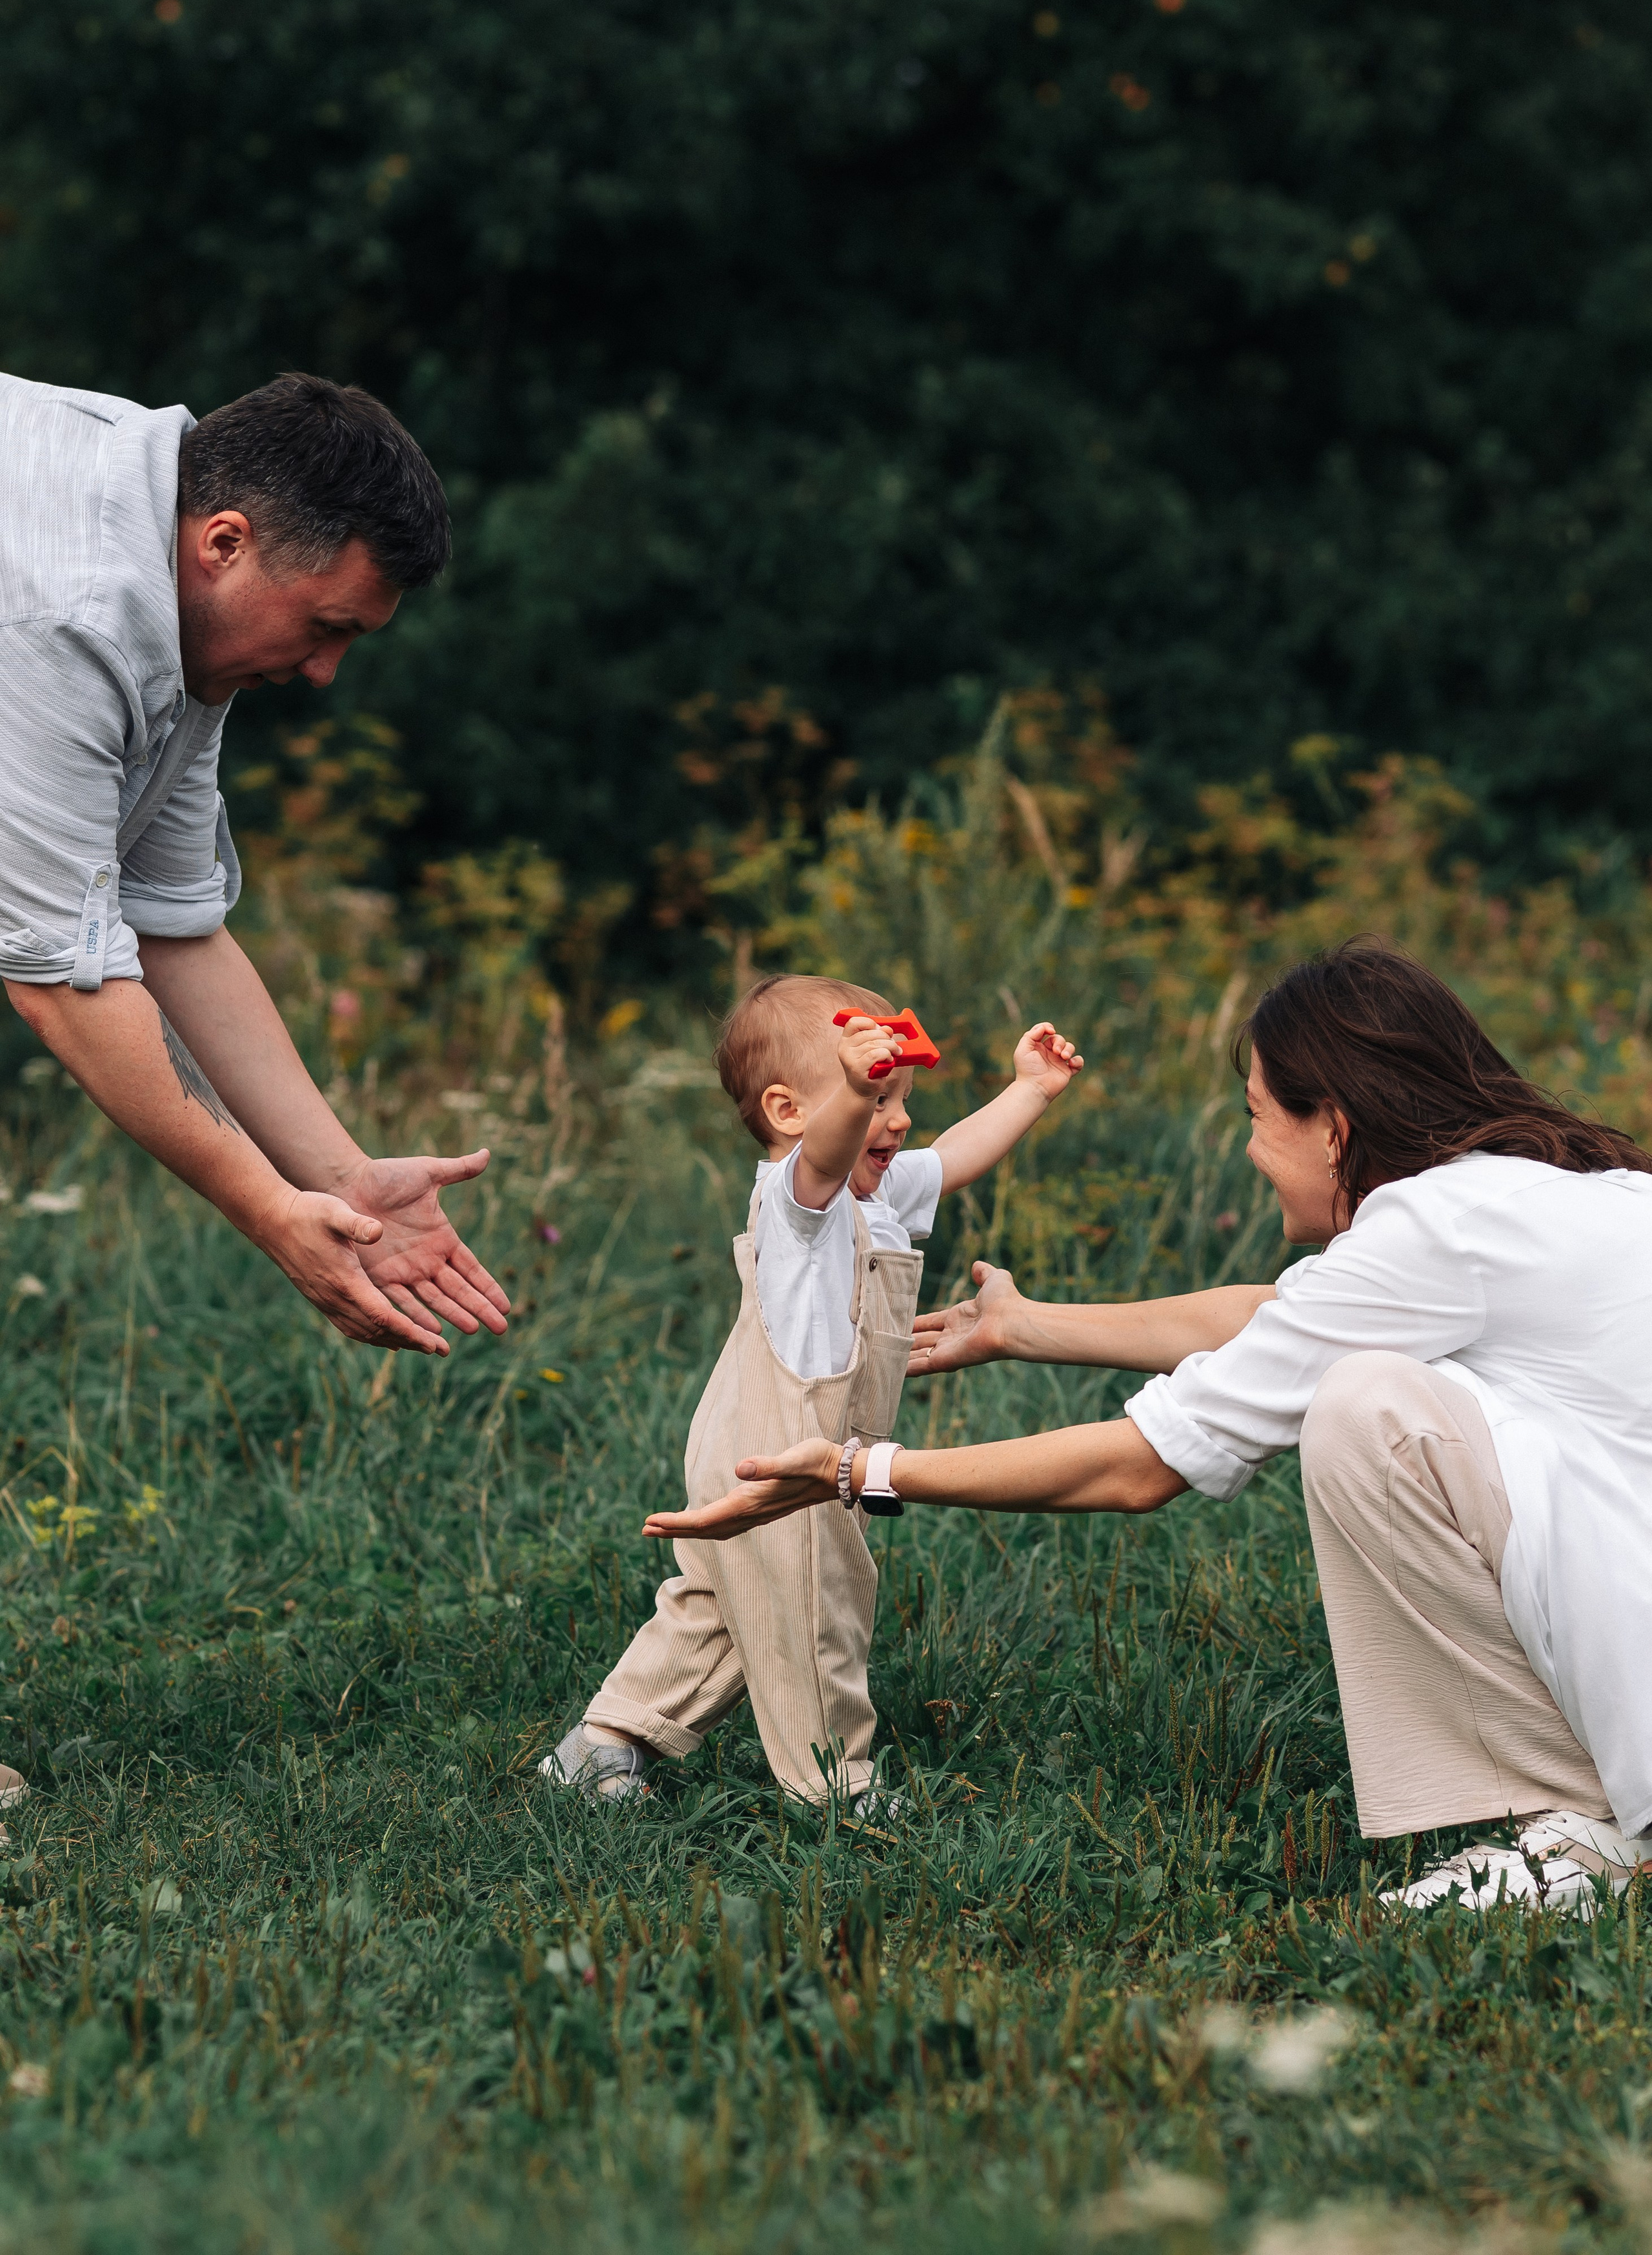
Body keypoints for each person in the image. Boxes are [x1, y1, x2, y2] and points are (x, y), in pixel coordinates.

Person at [648, 940, 1652, 1911]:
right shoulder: (1548, 1195)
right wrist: (1028, 1326)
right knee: (1367, 1375)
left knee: (1366, 1407)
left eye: (1258, 1118)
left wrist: (859, 1469)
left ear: (1335, 1128)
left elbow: (1141, 1466)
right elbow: (1288, 1319)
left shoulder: (1435, 1230)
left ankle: (1581, 1826)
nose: (1252, 1149)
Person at [0, 370, 511, 1812]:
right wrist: (263, 1207)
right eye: (328, 628)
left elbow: (170, 921)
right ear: (225, 541)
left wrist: (335, 1177)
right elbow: (60, 976)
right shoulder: (64, 608)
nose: (327, 671)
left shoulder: (178, 600)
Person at [547, 973, 1082, 1808]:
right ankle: (837, 1782)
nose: (895, 1118)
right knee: (815, 1610)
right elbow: (828, 1155)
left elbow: (954, 1157)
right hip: (779, 1445)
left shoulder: (879, 1188)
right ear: (792, 1114)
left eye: (900, 1095)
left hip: (787, 1440)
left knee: (722, 1610)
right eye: (873, 1097)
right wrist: (852, 1102)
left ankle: (600, 1742)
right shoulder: (798, 1196)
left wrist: (1030, 1090)